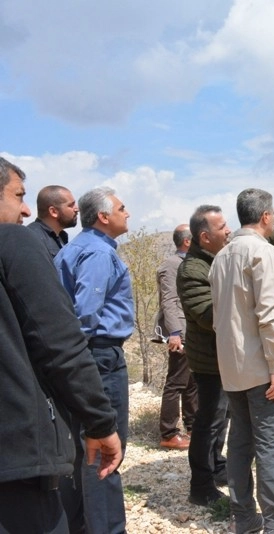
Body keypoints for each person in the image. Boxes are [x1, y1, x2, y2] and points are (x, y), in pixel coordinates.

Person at [0, 157, 123, 534]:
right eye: (18, 195)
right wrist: (99, 420)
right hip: (16, 459)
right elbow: (60, 341)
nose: (24, 208)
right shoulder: (13, 243)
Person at [177, 205, 274, 508]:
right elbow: (209, 315)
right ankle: (201, 484)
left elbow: (253, 244)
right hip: (212, 360)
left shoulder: (218, 257)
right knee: (210, 422)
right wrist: (244, 308)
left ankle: (220, 470)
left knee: (228, 425)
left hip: (229, 356)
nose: (228, 231)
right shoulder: (192, 271)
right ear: (204, 236)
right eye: (222, 227)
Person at [209, 188, 274, 534]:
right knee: (270, 446)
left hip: (231, 369)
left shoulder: (222, 257)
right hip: (260, 369)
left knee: (239, 443)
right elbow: (270, 315)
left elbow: (218, 317)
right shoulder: (262, 253)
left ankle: (245, 519)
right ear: (266, 216)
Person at [54, 186, 133, 534]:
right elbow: (85, 314)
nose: (127, 212)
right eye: (121, 207)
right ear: (103, 216)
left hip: (88, 355)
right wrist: (80, 360)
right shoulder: (99, 254)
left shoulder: (74, 249)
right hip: (99, 356)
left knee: (82, 447)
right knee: (104, 449)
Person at [156, 224, 198, 450]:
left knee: (191, 382)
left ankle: (193, 428)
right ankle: (169, 433)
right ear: (187, 242)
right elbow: (169, 300)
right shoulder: (171, 265)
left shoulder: (188, 264)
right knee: (177, 382)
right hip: (180, 332)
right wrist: (174, 333)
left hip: (191, 332)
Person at [27, 185, 80, 258]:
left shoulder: (61, 237)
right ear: (53, 212)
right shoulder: (32, 238)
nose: (77, 209)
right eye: (71, 205)